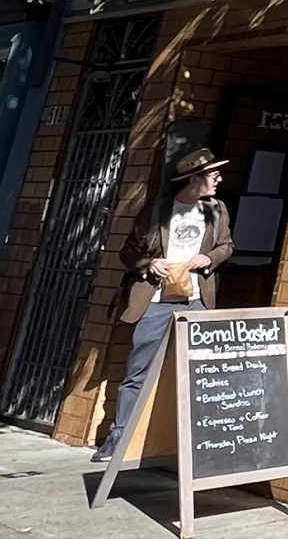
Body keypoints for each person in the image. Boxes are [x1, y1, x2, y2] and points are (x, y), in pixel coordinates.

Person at [94, 146, 234, 463]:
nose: (219, 179)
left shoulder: (217, 210)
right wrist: (148, 263)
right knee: (138, 369)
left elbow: (227, 246)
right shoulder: (159, 210)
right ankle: (119, 437)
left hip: (196, 301)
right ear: (194, 179)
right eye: (213, 175)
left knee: (201, 371)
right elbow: (128, 251)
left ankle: (197, 443)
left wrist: (208, 258)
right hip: (155, 301)